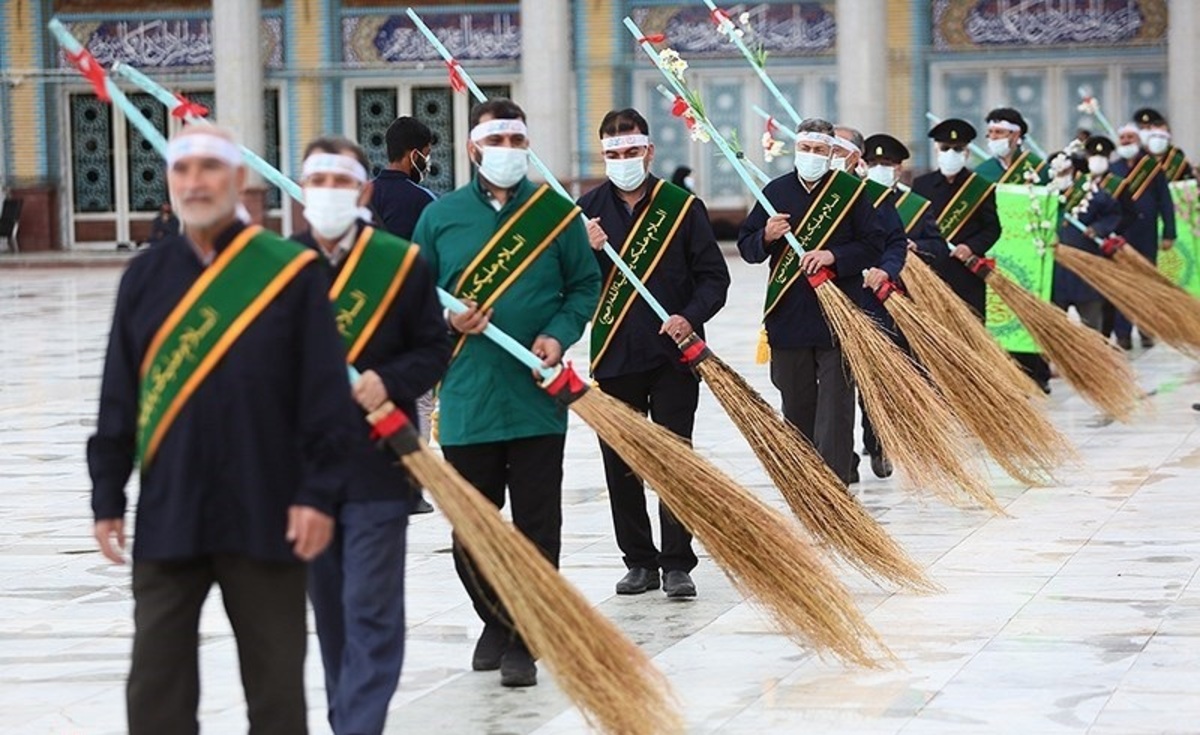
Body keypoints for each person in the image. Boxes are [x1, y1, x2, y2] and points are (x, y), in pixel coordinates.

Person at [87, 125, 355, 734]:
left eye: (209, 168)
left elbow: (324, 398)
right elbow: (118, 395)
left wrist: (317, 494)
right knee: (156, 686)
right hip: (170, 510)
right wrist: (107, 496)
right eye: (182, 170)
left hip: (267, 510)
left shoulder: (290, 272)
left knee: (276, 687)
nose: (195, 181)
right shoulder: (145, 277)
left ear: (238, 180)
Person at [411, 98, 600, 688]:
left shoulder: (556, 213)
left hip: (536, 395)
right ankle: (496, 617)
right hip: (468, 396)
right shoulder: (440, 219)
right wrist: (447, 323)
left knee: (538, 525)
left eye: (519, 144)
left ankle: (525, 637)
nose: (509, 156)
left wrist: (558, 334)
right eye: (498, 145)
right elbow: (411, 299)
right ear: (473, 150)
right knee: (473, 526)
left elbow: (584, 285)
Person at [293, 136, 451, 735]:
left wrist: (387, 379)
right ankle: (346, 719)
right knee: (330, 612)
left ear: (363, 189)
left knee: (372, 609)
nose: (330, 194)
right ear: (304, 190)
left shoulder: (399, 262)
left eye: (341, 182)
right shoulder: (282, 265)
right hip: (306, 472)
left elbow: (433, 351)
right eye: (318, 182)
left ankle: (359, 726)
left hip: (380, 463)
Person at [577, 108, 729, 597]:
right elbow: (573, 286)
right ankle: (639, 561)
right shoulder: (585, 212)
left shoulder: (682, 207)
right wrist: (588, 252)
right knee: (622, 463)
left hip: (672, 355)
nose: (623, 160)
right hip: (616, 354)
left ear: (649, 152)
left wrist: (690, 315)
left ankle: (677, 562)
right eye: (613, 154)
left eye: (631, 151)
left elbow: (714, 278)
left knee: (674, 458)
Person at [737, 118, 884, 486]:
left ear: (832, 152)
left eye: (819, 150)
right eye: (805, 149)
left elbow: (873, 244)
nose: (812, 156)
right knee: (797, 402)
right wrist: (768, 236)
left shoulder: (849, 191)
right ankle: (808, 479)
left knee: (836, 407)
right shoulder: (776, 192)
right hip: (789, 315)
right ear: (796, 150)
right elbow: (747, 247)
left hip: (838, 317)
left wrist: (834, 255)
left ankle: (835, 484)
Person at [369, 115, 441, 513]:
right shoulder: (425, 202)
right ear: (415, 153)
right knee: (418, 401)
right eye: (426, 153)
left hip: (369, 319)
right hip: (412, 318)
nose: (426, 161)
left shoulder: (364, 196)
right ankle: (411, 486)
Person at [974, 107, 1051, 391]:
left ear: (1016, 135)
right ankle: (1007, 371)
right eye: (990, 133)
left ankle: (1037, 372)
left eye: (999, 133)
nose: (992, 138)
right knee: (999, 312)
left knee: (1030, 308)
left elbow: (1051, 207)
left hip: (1030, 253)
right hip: (996, 251)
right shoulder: (982, 172)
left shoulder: (1037, 169)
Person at [911, 119, 1001, 325]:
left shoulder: (981, 187)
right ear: (937, 150)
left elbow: (992, 228)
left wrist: (970, 247)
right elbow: (914, 228)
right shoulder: (921, 185)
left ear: (967, 152)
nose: (951, 153)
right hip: (931, 271)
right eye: (945, 148)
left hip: (967, 274)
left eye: (958, 148)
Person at [1051, 137, 1129, 332]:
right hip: (1055, 270)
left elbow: (1114, 213)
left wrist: (1098, 228)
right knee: (1055, 323)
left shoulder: (1092, 193)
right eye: (1057, 172)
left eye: (1065, 171)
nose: (1061, 175)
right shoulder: (1044, 195)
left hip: (1086, 267)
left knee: (1091, 322)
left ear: (1075, 171)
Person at [1111, 122, 1176, 350]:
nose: (1126, 141)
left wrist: (1169, 232)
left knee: (1147, 283)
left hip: (1146, 234)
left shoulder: (1152, 168)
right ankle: (1123, 334)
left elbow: (1165, 202)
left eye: (1131, 137)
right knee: (1124, 285)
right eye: (1123, 138)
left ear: (1138, 140)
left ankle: (1147, 331)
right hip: (1121, 235)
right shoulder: (1113, 168)